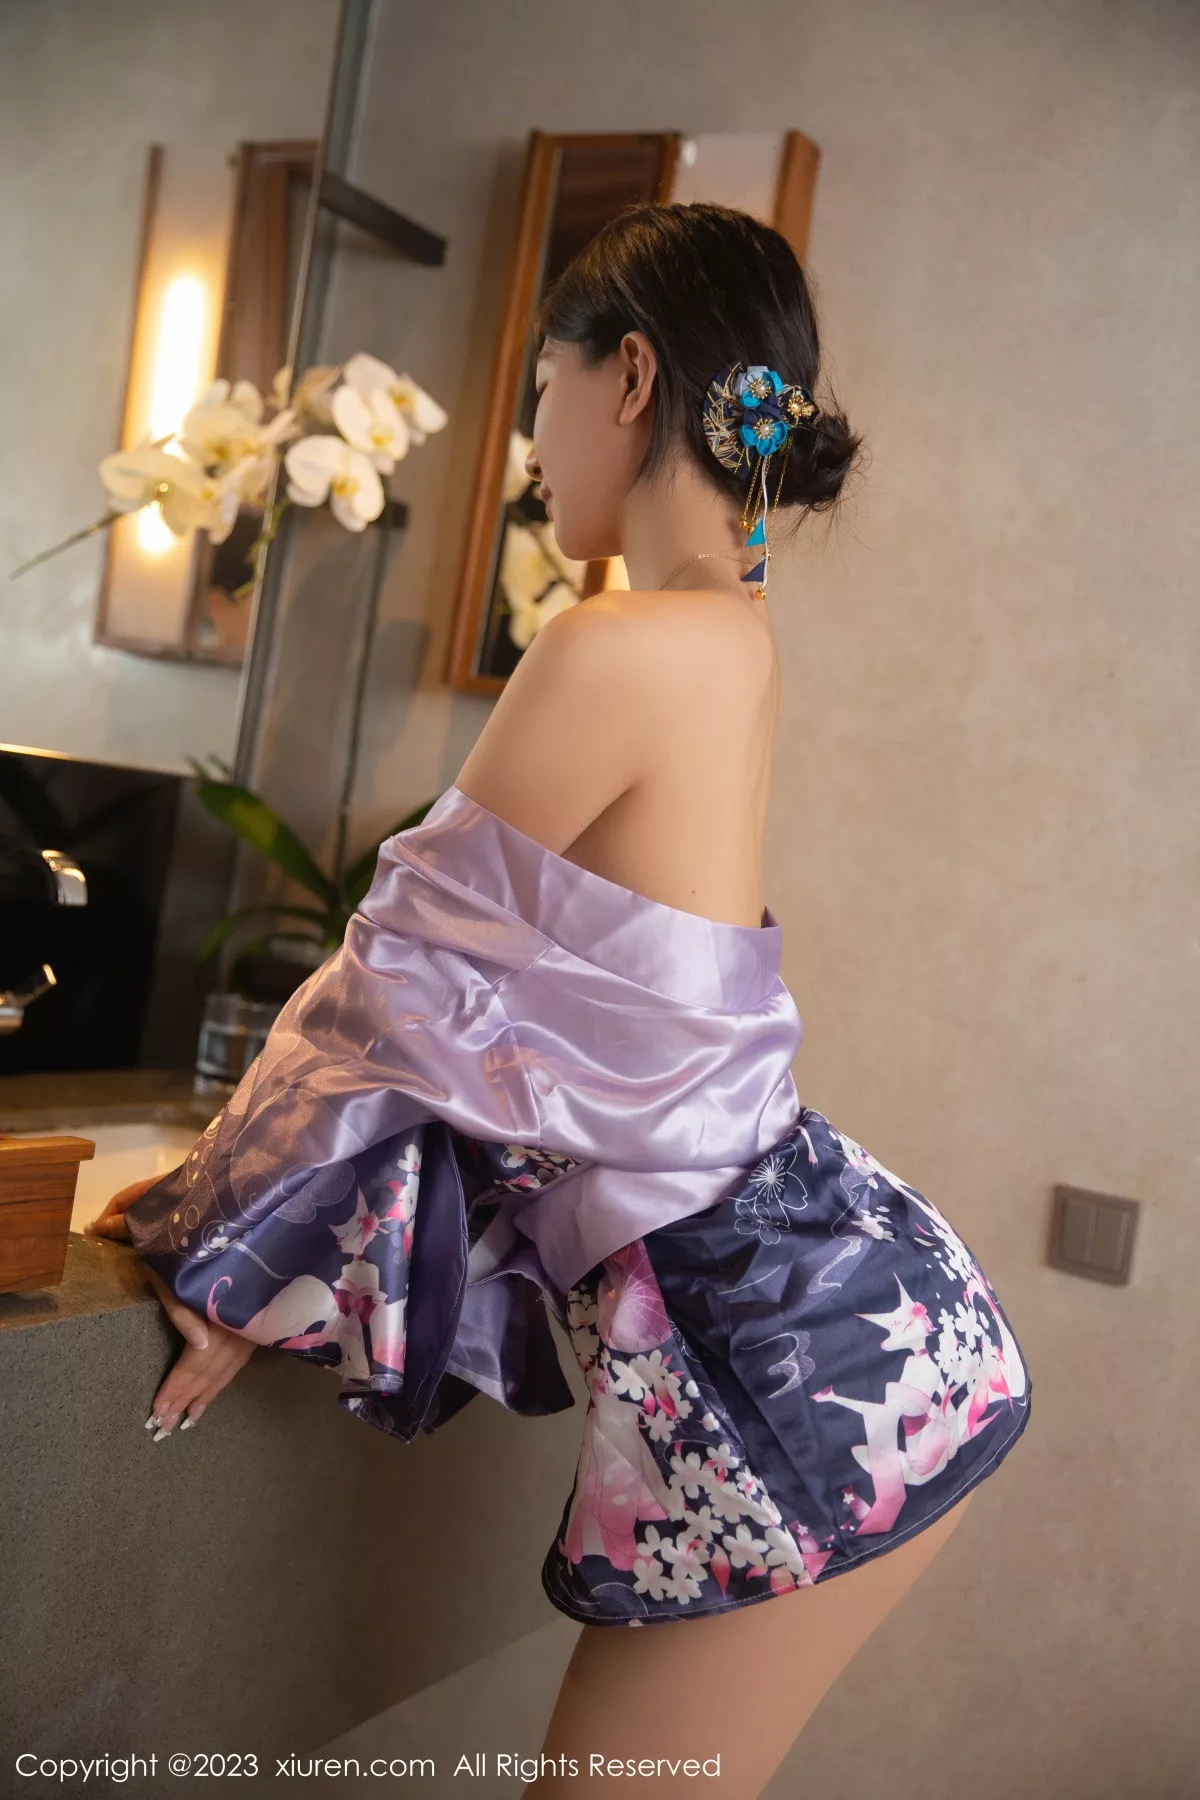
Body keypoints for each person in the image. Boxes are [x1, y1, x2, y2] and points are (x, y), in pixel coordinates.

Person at [90, 202, 1031, 1798]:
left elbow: (394, 986)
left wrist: (224, 1238)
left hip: (782, 1367)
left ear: (631, 379)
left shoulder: (619, 644)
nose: (531, 441)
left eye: (542, 389)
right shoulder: (731, 635)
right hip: (861, 1317)